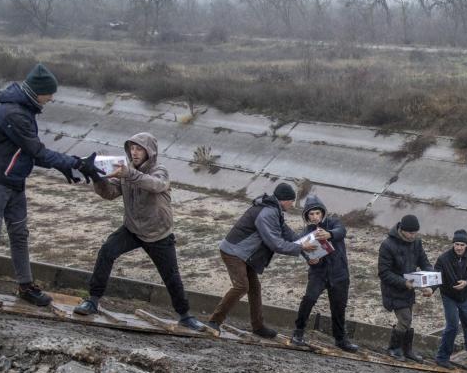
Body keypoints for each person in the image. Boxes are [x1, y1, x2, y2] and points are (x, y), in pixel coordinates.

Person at [0, 63, 101, 306]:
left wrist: (63, 166)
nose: (51, 98)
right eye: (49, 93)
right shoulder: (13, 114)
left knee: (19, 235)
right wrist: (77, 163)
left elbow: (24, 153)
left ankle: (26, 287)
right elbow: (37, 151)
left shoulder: (24, 109)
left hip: (14, 182)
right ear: (37, 91)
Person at [73, 133, 206, 331]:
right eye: (132, 149)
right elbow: (109, 193)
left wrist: (128, 174)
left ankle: (185, 315)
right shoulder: (124, 171)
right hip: (132, 228)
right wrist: (96, 176)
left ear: (149, 152)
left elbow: (156, 185)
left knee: (171, 275)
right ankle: (92, 301)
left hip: (158, 233)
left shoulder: (159, 170)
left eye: (139, 149)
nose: (134, 153)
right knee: (107, 251)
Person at [208, 183, 314, 337]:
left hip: (244, 254)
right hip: (233, 252)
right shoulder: (268, 213)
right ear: (284, 200)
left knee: (255, 289)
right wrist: (301, 248)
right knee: (241, 287)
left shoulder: (274, 210)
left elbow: (288, 233)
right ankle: (214, 321)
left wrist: (308, 246)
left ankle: (258, 327)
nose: (292, 204)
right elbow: (275, 243)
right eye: (292, 201)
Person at [290, 194, 358, 353]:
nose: (314, 217)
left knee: (339, 307)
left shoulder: (333, 222)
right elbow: (303, 251)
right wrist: (310, 260)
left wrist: (330, 234)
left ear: (322, 213)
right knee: (309, 299)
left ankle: (341, 339)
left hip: (339, 273)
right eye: (311, 214)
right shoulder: (306, 232)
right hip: (318, 273)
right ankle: (298, 332)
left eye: (317, 213)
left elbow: (342, 231)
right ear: (307, 216)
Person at [377, 214, 433, 362]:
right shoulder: (387, 245)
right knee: (405, 319)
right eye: (410, 233)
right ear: (401, 229)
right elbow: (384, 273)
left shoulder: (416, 242)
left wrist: (429, 282)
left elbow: (425, 263)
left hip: (410, 288)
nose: (412, 236)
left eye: (415, 233)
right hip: (393, 289)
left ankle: (407, 350)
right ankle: (394, 348)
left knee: (408, 319)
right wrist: (403, 282)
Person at [433, 229, 467, 369]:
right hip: (449, 295)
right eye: (456, 244)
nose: (459, 247)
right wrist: (430, 290)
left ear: (466, 245)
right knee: (452, 325)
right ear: (453, 244)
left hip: (466, 293)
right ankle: (442, 357)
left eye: (462, 245)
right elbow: (435, 277)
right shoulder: (443, 258)